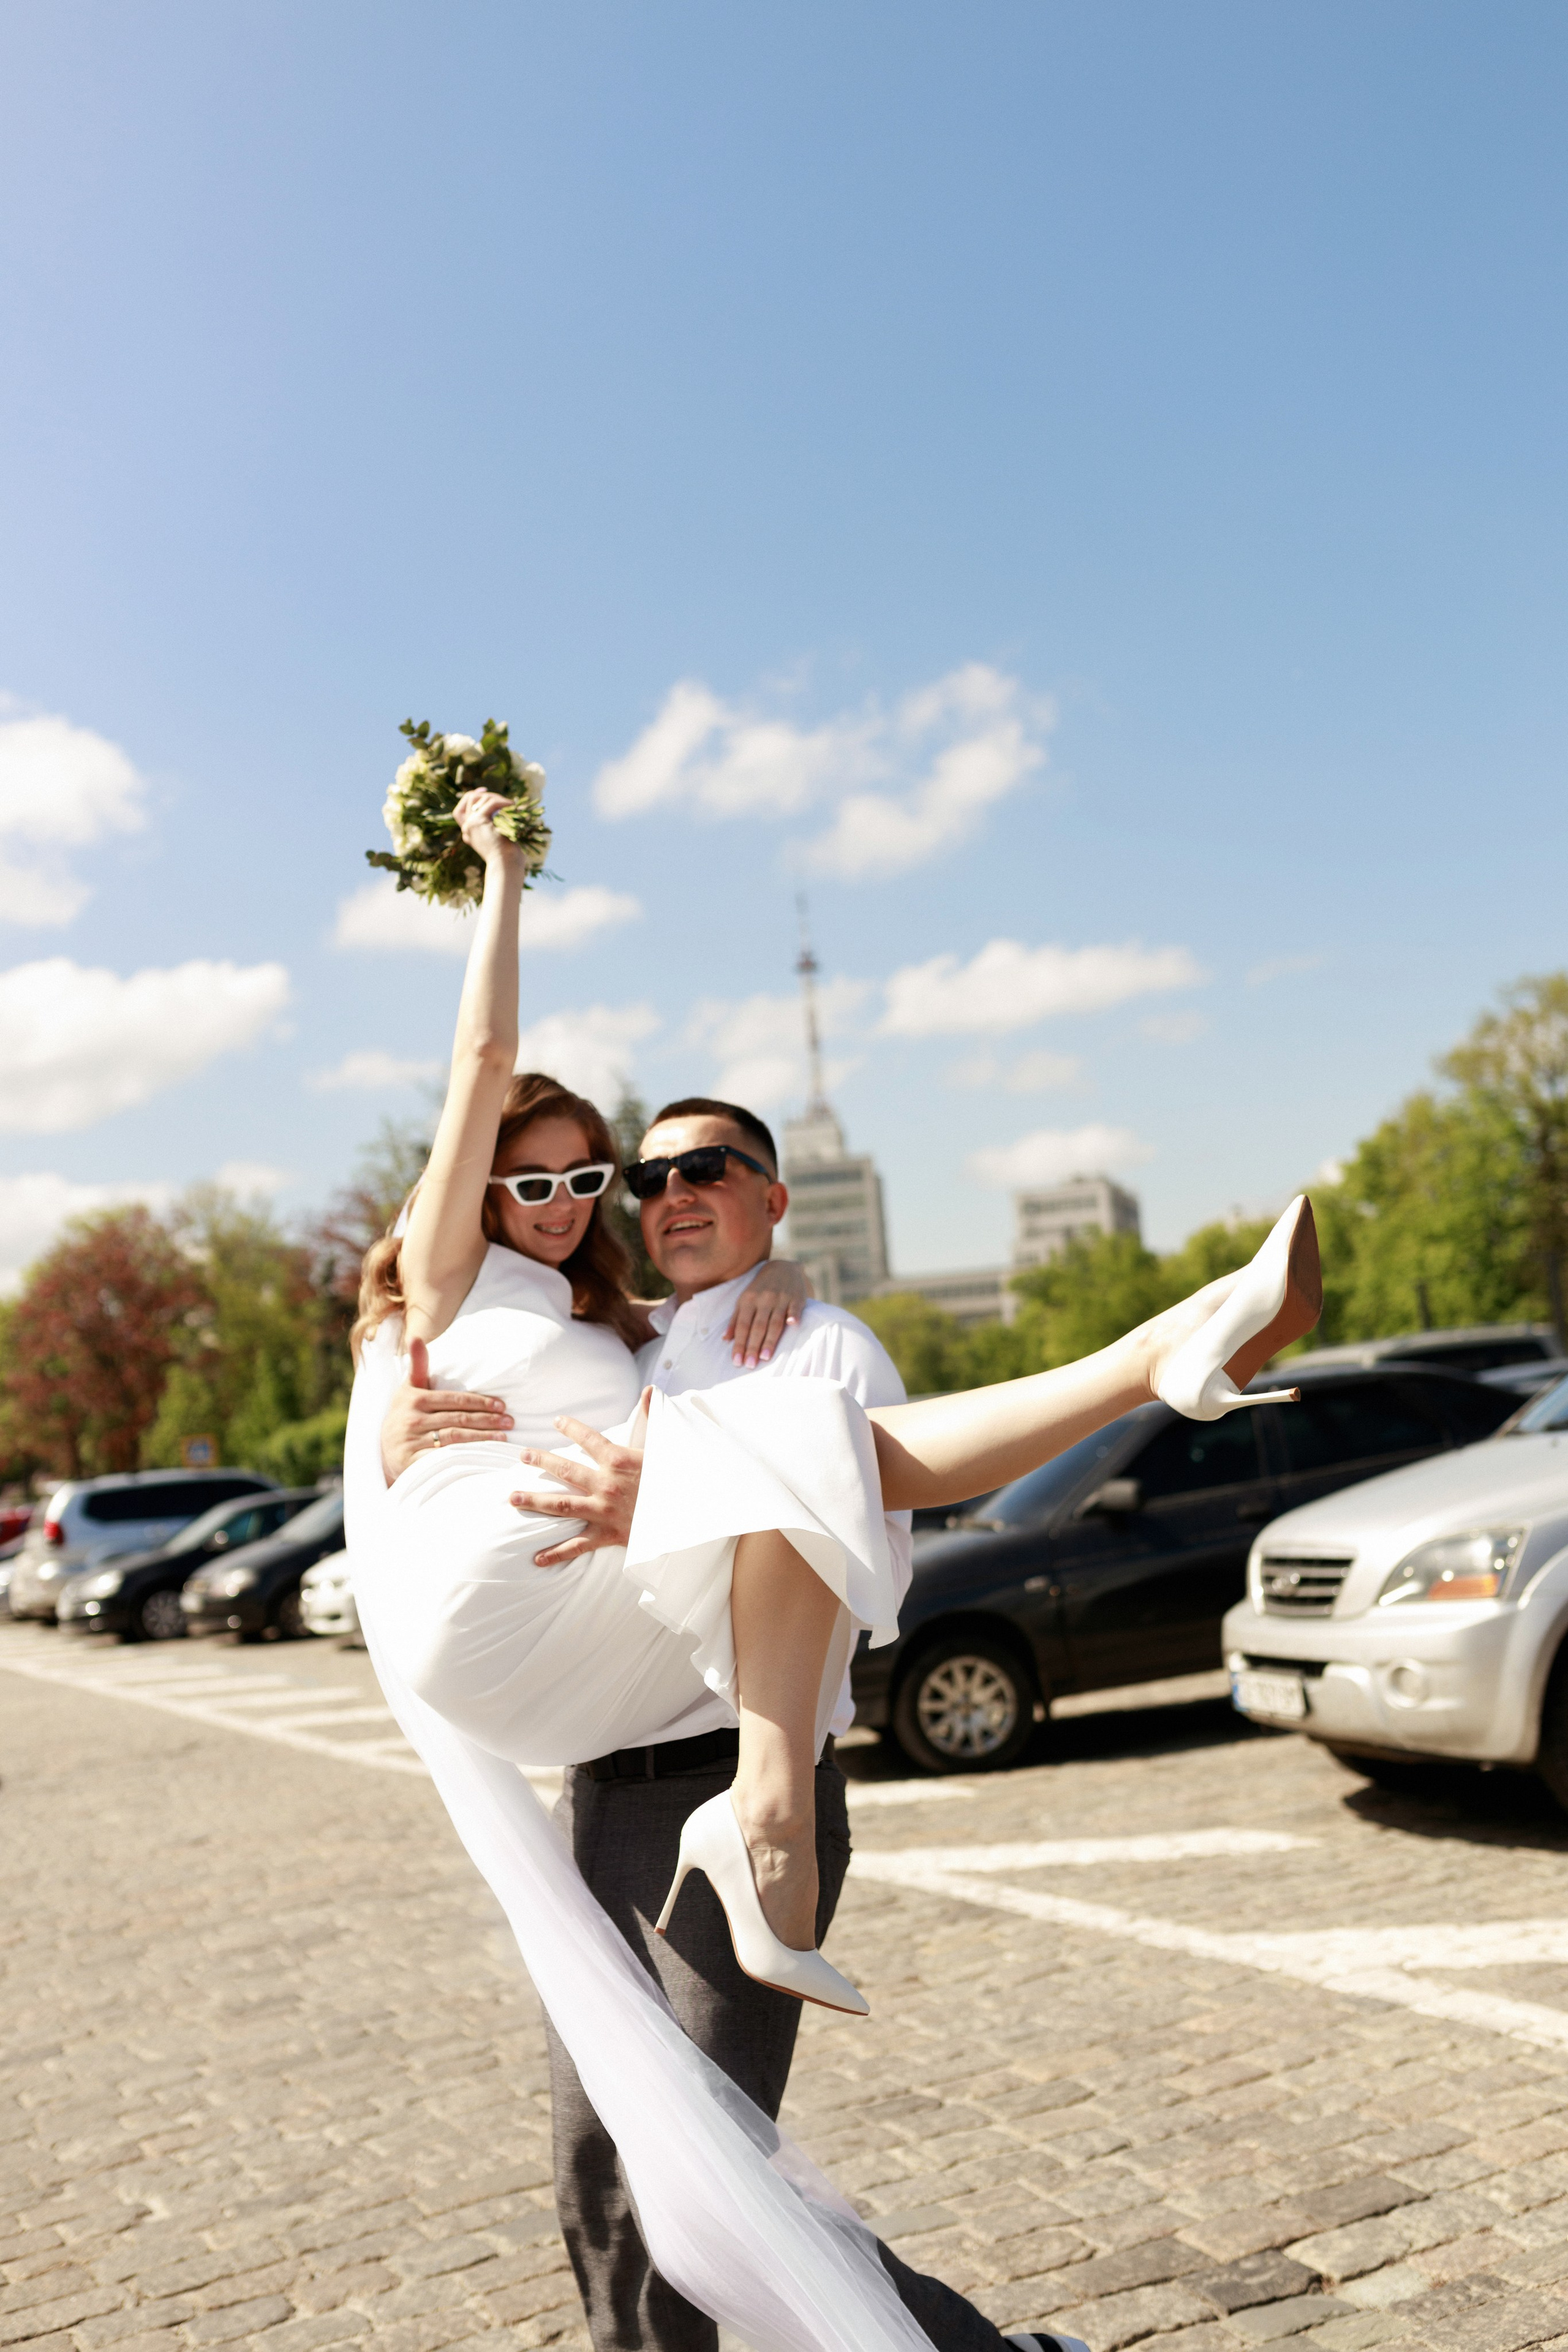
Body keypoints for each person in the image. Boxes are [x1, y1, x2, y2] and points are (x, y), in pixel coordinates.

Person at [345, 786, 1319, 2352]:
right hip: (574, 1721)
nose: (617, 1200)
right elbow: (472, 1078)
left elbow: (839, 1502)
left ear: (768, 1197)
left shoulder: (785, 1336)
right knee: (625, 2182)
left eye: (622, 1177)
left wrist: (714, 1405)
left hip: (696, 1747)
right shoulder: (563, 1317)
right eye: (584, 1179)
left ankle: (1147, 1365)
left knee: (695, 2179)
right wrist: (502, 879)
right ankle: (1154, 1357)